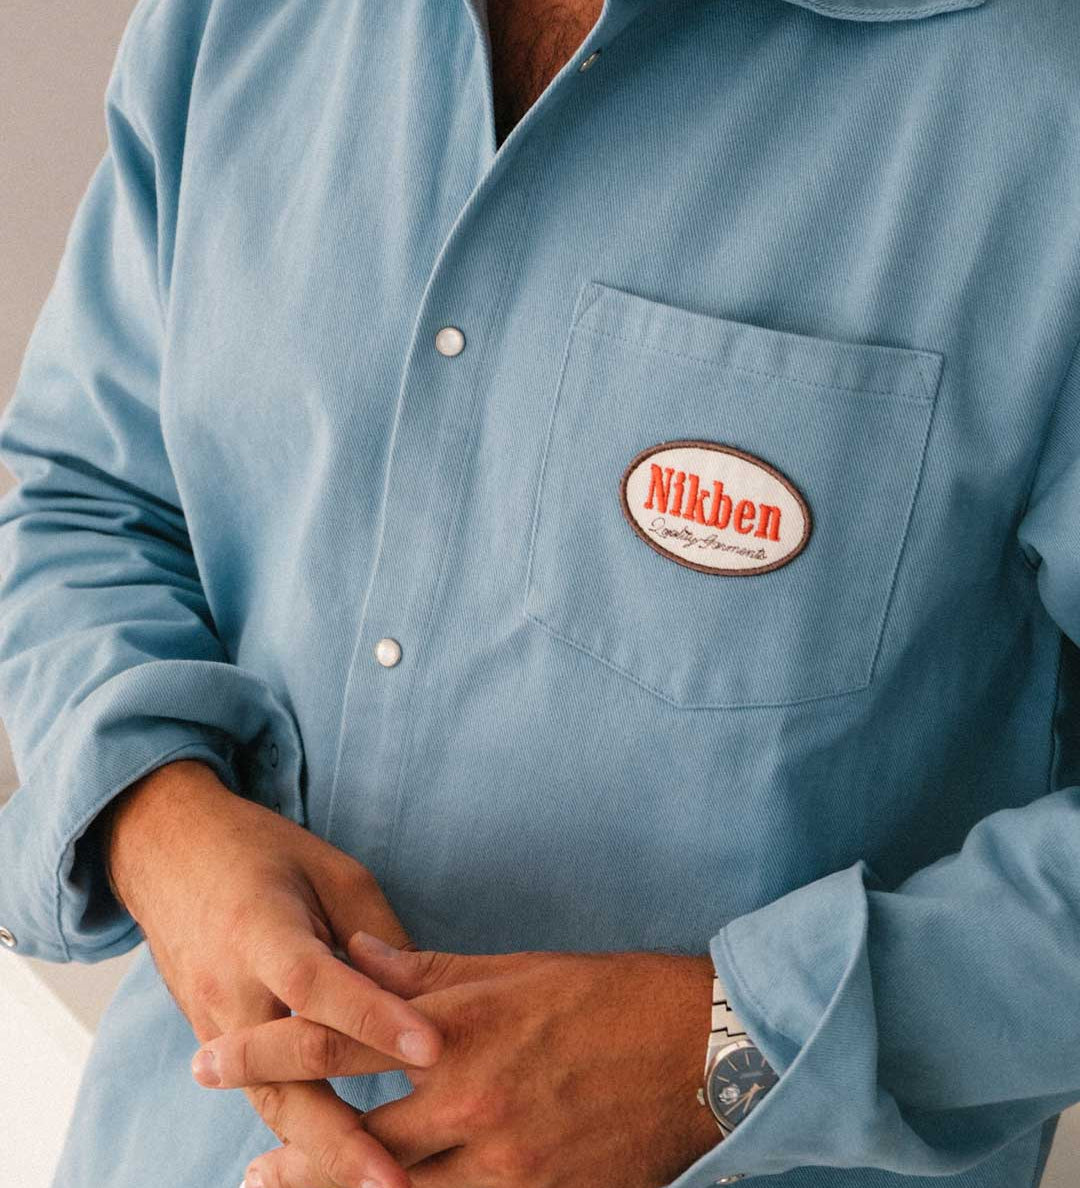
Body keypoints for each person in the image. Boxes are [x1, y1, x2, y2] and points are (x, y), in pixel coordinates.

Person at [1, 0, 1079, 1185]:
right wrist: (154, 820)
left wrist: (724, 1050)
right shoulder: (234, 22)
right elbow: (86, 494)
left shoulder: (1040, 97)